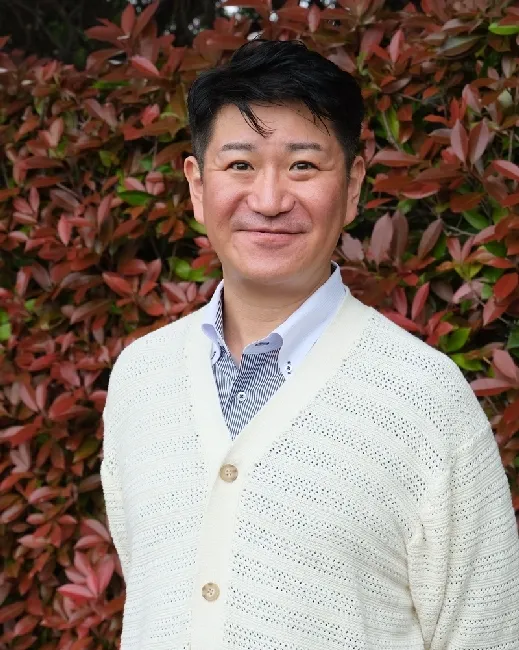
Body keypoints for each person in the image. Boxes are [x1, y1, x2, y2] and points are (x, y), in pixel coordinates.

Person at [101, 39, 519, 649]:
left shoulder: (425, 399)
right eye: (239, 165)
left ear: (352, 187)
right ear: (196, 185)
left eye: (302, 166)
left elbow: (484, 631)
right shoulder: (142, 377)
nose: (269, 200)